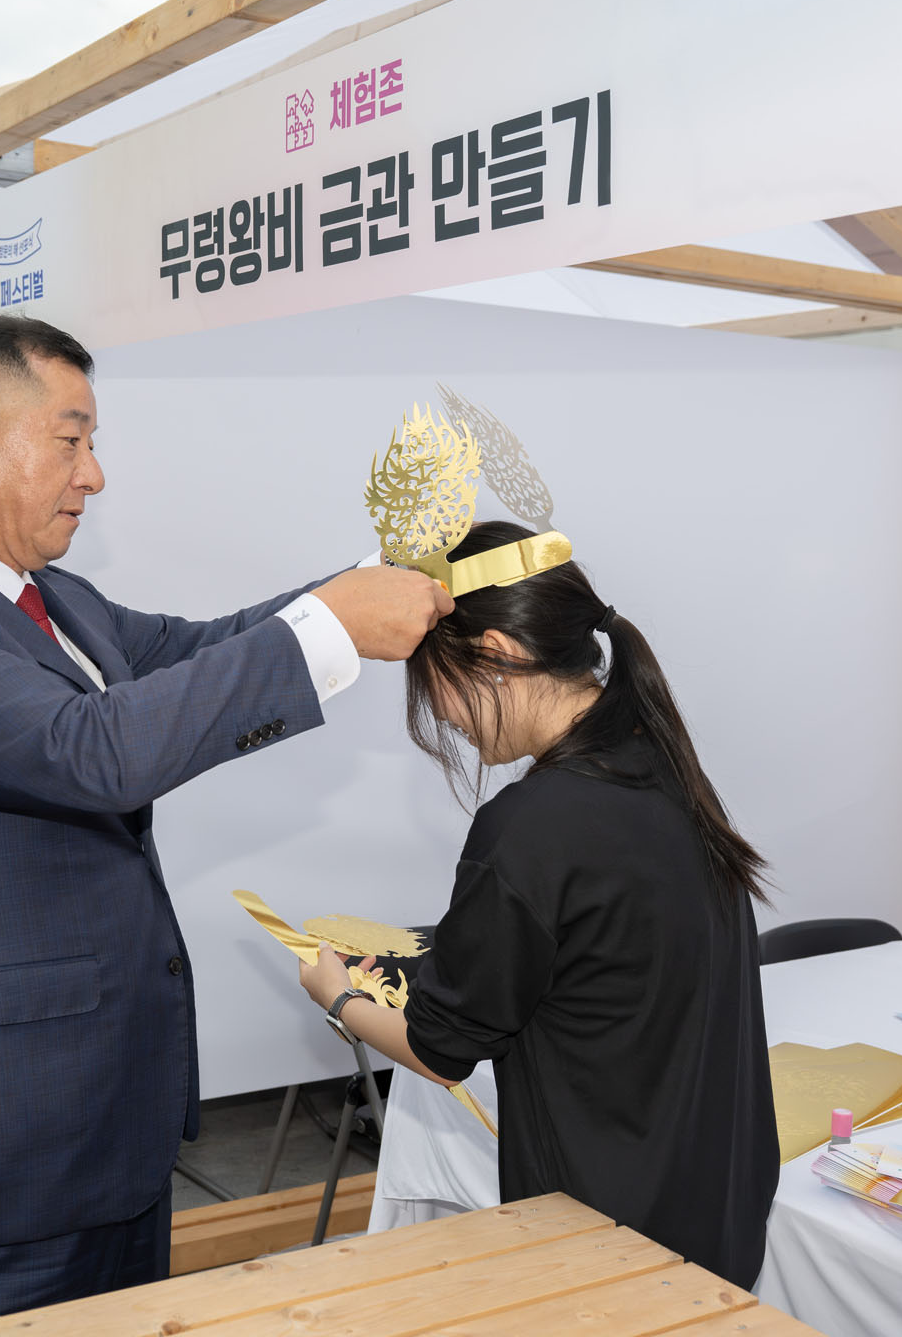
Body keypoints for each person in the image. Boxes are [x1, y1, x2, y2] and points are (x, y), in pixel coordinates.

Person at [0, 314, 451, 1335]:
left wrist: (363, 585)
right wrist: (332, 626)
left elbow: (207, 650)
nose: (93, 475)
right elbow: (88, 750)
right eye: (71, 439)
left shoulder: (53, 601)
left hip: (104, 1139)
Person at [296, 520, 780, 1289]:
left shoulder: (531, 823)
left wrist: (337, 997)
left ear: (494, 655)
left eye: (432, 680)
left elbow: (441, 1051)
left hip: (605, 1233)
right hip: (715, 1206)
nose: (443, 715)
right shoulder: (660, 765)